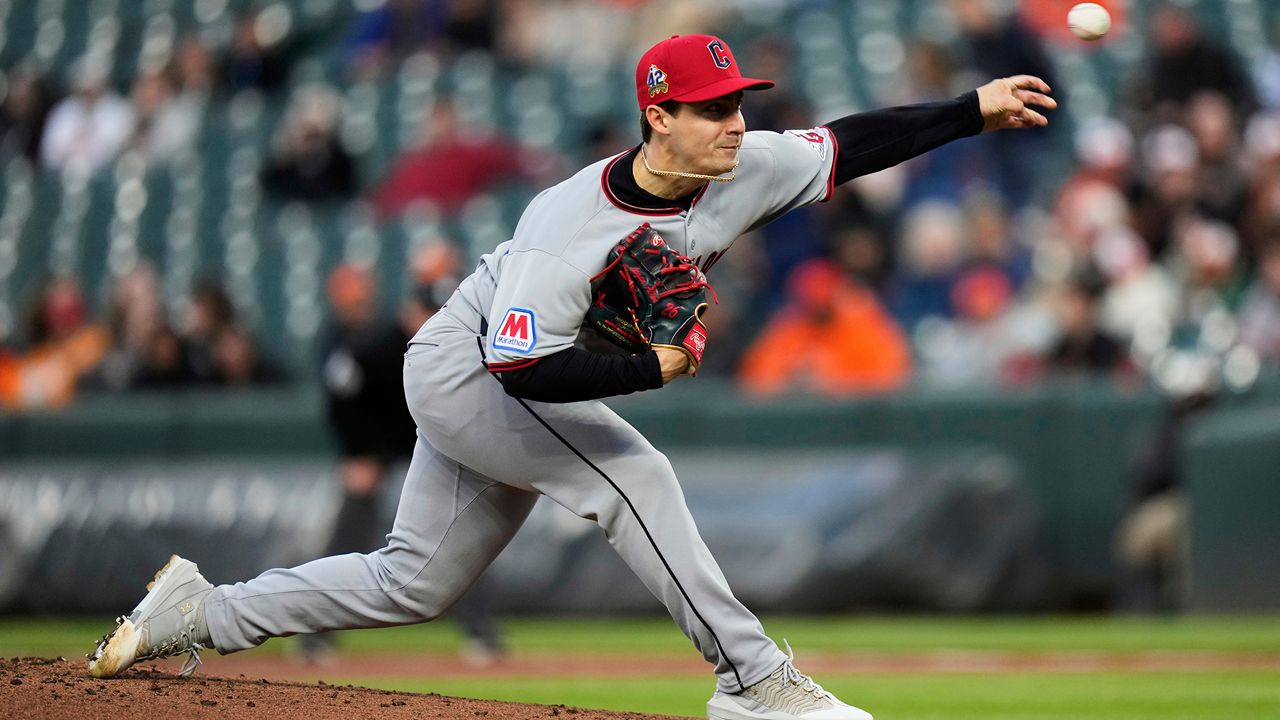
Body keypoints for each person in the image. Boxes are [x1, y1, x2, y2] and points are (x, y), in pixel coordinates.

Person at [87, 33, 1054, 720]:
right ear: (657, 116)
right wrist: (649, 366)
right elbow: (520, 368)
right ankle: (754, 682)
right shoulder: (565, 227)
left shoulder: (744, 164)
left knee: (412, 583)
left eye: (738, 103)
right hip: (474, 368)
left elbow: (853, 143)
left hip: (523, 372)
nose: (734, 122)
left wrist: (970, 110)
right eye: (712, 109)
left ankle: (201, 612)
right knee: (635, 477)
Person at [299, 263, 505, 664]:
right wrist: (356, 453)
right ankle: (314, 637)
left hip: (425, 444)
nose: (433, 317)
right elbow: (340, 399)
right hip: (374, 448)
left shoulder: (455, 343)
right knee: (347, 541)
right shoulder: (375, 347)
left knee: (460, 535)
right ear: (409, 310)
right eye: (427, 309)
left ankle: (482, 632)